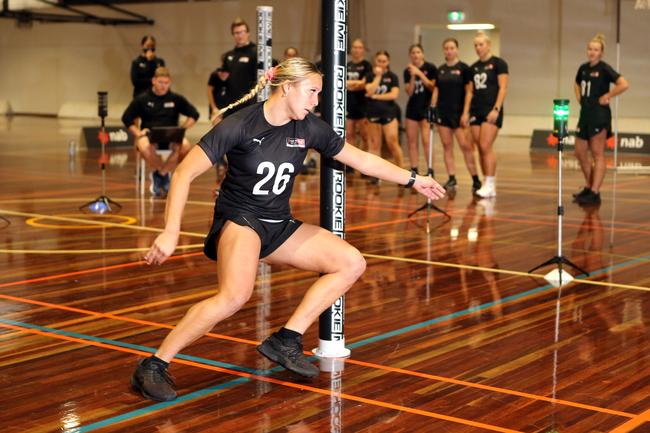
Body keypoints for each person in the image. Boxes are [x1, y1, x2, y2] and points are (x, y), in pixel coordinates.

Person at [130, 57, 446, 402]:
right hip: (241, 220)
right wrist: (171, 230)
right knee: (235, 296)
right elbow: (183, 173)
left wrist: (414, 179)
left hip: (278, 223)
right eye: (312, 92)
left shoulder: (310, 127)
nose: (315, 101)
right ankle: (154, 365)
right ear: (287, 87)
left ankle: (286, 339)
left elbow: (362, 160)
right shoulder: (240, 124)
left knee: (351, 262)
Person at [122, 67, 200, 197]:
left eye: (166, 83)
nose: (164, 86)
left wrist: (182, 128)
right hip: (149, 134)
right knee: (143, 145)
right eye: (160, 82)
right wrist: (138, 132)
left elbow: (194, 114)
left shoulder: (176, 98)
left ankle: (160, 174)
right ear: (154, 81)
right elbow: (126, 118)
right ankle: (164, 175)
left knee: (185, 145)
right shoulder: (143, 99)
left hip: (171, 135)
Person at [573, 33, 629, 206]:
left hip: (600, 115)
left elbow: (624, 84)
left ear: (601, 53)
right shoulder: (583, 68)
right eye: (590, 49)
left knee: (598, 153)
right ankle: (589, 186)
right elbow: (576, 83)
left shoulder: (605, 69)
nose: (592, 52)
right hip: (585, 115)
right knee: (580, 151)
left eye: (596, 49)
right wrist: (580, 99)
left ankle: (595, 192)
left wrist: (608, 95)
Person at [431, 38, 481, 192]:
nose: (449, 50)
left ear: (457, 49)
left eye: (452, 48)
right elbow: (436, 90)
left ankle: (476, 179)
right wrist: (432, 108)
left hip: (459, 114)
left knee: (466, 147)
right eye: (446, 48)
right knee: (447, 146)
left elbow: (469, 91)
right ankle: (452, 178)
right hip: (443, 114)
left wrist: (465, 113)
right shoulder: (440, 70)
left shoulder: (464, 68)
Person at [468, 31, 508, 198]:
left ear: (489, 45)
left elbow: (503, 88)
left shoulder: (499, 63)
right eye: (476, 45)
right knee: (479, 147)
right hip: (476, 110)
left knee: (486, 145)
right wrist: (466, 112)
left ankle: (491, 183)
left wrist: (496, 109)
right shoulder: (473, 67)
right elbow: (470, 91)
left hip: (491, 110)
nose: (478, 48)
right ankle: (487, 182)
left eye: (481, 44)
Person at [365, 50, 404, 184]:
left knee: (392, 142)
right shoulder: (370, 76)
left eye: (384, 61)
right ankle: (376, 175)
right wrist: (377, 77)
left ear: (388, 62)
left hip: (389, 112)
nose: (381, 63)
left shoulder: (392, 77)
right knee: (374, 145)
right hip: (372, 113)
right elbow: (369, 91)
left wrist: (376, 96)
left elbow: (393, 95)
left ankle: (402, 173)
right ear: (375, 61)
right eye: (379, 61)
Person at [212, 18, 258, 125]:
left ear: (248, 33)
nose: (239, 35)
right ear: (233, 35)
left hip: (249, 104)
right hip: (231, 105)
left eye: (242, 32)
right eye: (236, 33)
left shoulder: (256, 52)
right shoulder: (229, 55)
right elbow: (222, 83)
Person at [403, 44, 436, 176]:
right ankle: (414, 169)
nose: (416, 55)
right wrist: (412, 75)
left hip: (426, 107)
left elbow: (432, 87)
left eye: (418, 52)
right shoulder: (408, 70)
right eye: (413, 53)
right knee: (411, 141)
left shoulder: (430, 68)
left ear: (422, 54)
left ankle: (430, 170)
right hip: (412, 108)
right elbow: (409, 92)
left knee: (426, 140)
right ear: (410, 55)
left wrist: (420, 74)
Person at [346, 39, 372, 154]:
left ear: (363, 50)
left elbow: (364, 84)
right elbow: (341, 82)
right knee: (349, 134)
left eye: (359, 47)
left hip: (362, 104)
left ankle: (363, 163)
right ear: (351, 49)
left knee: (365, 135)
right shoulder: (347, 65)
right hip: (349, 104)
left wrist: (348, 84)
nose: (357, 50)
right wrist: (356, 84)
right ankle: (351, 164)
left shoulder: (367, 65)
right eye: (355, 47)